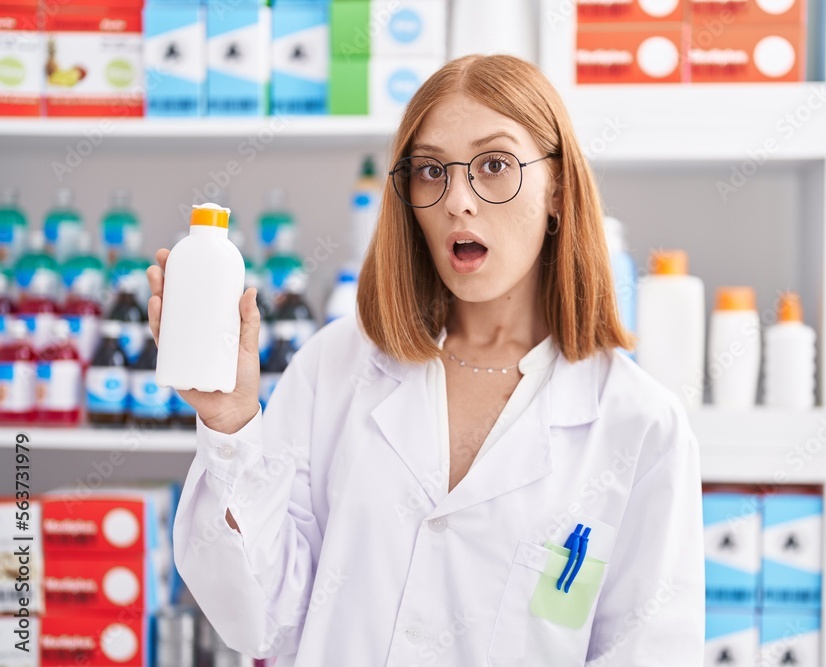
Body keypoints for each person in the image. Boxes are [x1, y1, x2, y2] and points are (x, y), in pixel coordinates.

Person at [147, 54, 704, 666]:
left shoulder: (640, 426)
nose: (457, 200)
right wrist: (229, 422)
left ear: (558, 190)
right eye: (431, 171)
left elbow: (648, 652)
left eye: (494, 165)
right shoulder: (336, 367)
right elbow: (258, 621)